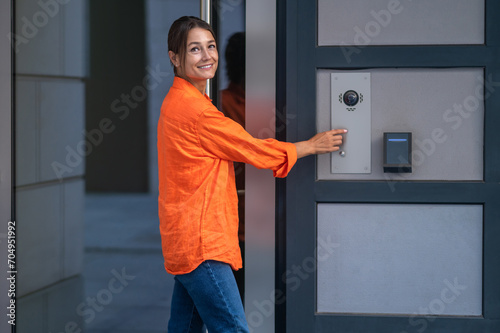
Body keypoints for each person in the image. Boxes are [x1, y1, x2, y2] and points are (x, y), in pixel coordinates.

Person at [157, 16, 346, 333]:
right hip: (203, 245)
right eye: (194, 49)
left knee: (184, 328)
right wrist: (310, 146)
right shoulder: (198, 112)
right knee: (233, 328)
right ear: (174, 58)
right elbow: (253, 149)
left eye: (211, 46)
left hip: (186, 241)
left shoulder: (176, 102)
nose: (207, 56)